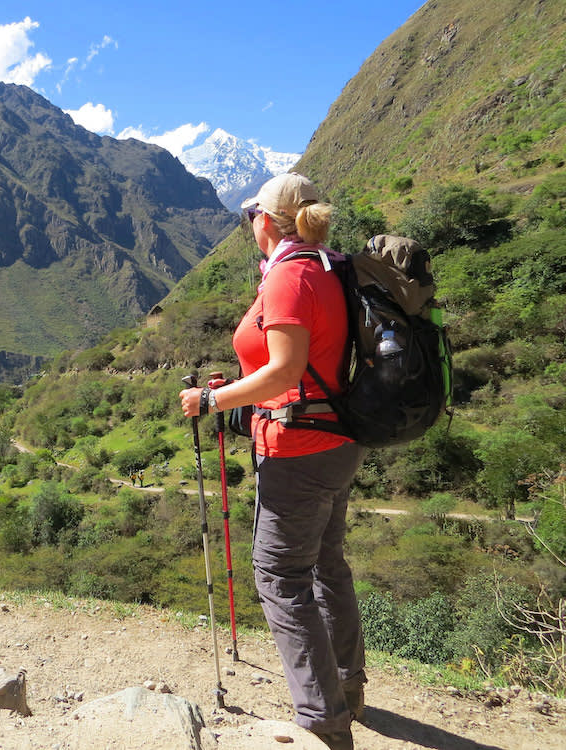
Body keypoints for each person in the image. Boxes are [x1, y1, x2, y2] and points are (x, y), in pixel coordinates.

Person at [179, 172, 366, 750]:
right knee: (326, 565)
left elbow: (285, 372)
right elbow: (304, 366)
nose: (248, 227)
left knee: (281, 578)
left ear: (265, 220)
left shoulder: (289, 276)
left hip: (298, 451)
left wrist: (211, 399)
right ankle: (346, 689)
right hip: (338, 440)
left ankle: (323, 724)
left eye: (249, 217)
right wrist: (242, 392)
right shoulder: (328, 266)